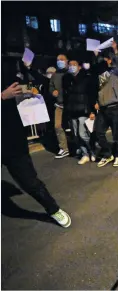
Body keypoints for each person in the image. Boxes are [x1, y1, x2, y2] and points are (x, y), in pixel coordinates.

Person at [1, 82, 71, 228]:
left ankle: (53, 209)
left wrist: (35, 112)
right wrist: (2, 97)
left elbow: (26, 90)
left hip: (11, 141)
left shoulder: (8, 67)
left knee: (30, 182)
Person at [93, 42, 118, 167]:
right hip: (103, 108)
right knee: (99, 132)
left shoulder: (115, 72)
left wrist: (116, 50)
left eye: (105, 60)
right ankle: (108, 154)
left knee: (117, 135)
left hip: (116, 107)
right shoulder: (98, 75)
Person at [62, 59, 97, 165]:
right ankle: (85, 154)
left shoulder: (86, 78)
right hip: (72, 111)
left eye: (74, 64)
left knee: (83, 134)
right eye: (70, 65)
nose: (72, 66)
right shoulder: (66, 79)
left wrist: (92, 111)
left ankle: (92, 150)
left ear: (79, 66)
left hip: (84, 110)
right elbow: (66, 96)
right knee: (76, 135)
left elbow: (91, 95)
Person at [49, 54, 70, 159]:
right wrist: (53, 92)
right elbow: (51, 87)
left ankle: (83, 147)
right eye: (58, 60)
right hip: (59, 104)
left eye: (62, 59)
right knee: (57, 126)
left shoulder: (71, 72)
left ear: (67, 60)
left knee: (74, 126)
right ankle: (64, 148)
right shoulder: (55, 75)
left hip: (71, 104)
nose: (60, 61)